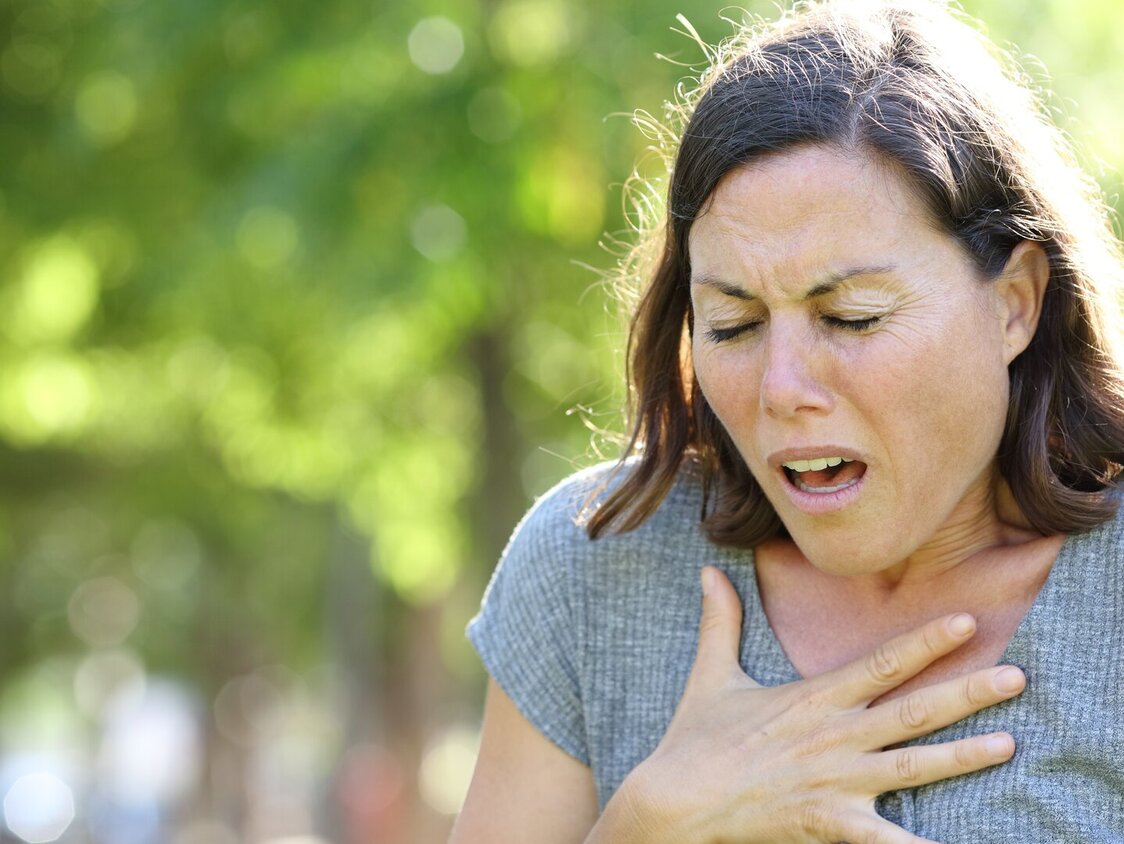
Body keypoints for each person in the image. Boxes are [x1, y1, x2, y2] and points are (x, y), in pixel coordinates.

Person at [452, 0, 1124, 841]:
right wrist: (648, 826)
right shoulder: (592, 568)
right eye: (733, 326)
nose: (781, 388)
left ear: (1015, 304)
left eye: (852, 317)